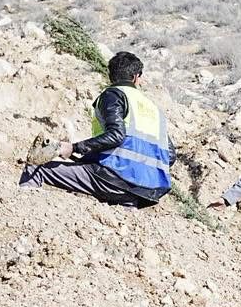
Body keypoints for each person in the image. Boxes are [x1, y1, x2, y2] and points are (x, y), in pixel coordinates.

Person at [19, 51, 171, 207]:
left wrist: (73, 148)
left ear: (111, 75)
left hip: (113, 178)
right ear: (136, 77)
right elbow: (170, 155)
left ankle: (23, 212)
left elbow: (116, 135)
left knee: (36, 168)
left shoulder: (114, 95)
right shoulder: (155, 110)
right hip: (145, 191)